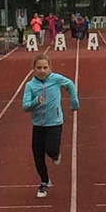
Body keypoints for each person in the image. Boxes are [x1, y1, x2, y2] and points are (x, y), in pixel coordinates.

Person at [22, 53, 79, 198]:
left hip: (54, 122)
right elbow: (25, 106)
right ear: (33, 69)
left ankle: (55, 154)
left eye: (45, 67)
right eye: (39, 67)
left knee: (51, 149)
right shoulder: (30, 85)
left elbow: (70, 84)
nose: (42, 70)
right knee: (38, 157)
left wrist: (74, 100)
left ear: (50, 68)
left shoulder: (56, 79)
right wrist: (36, 101)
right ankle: (44, 182)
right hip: (38, 125)